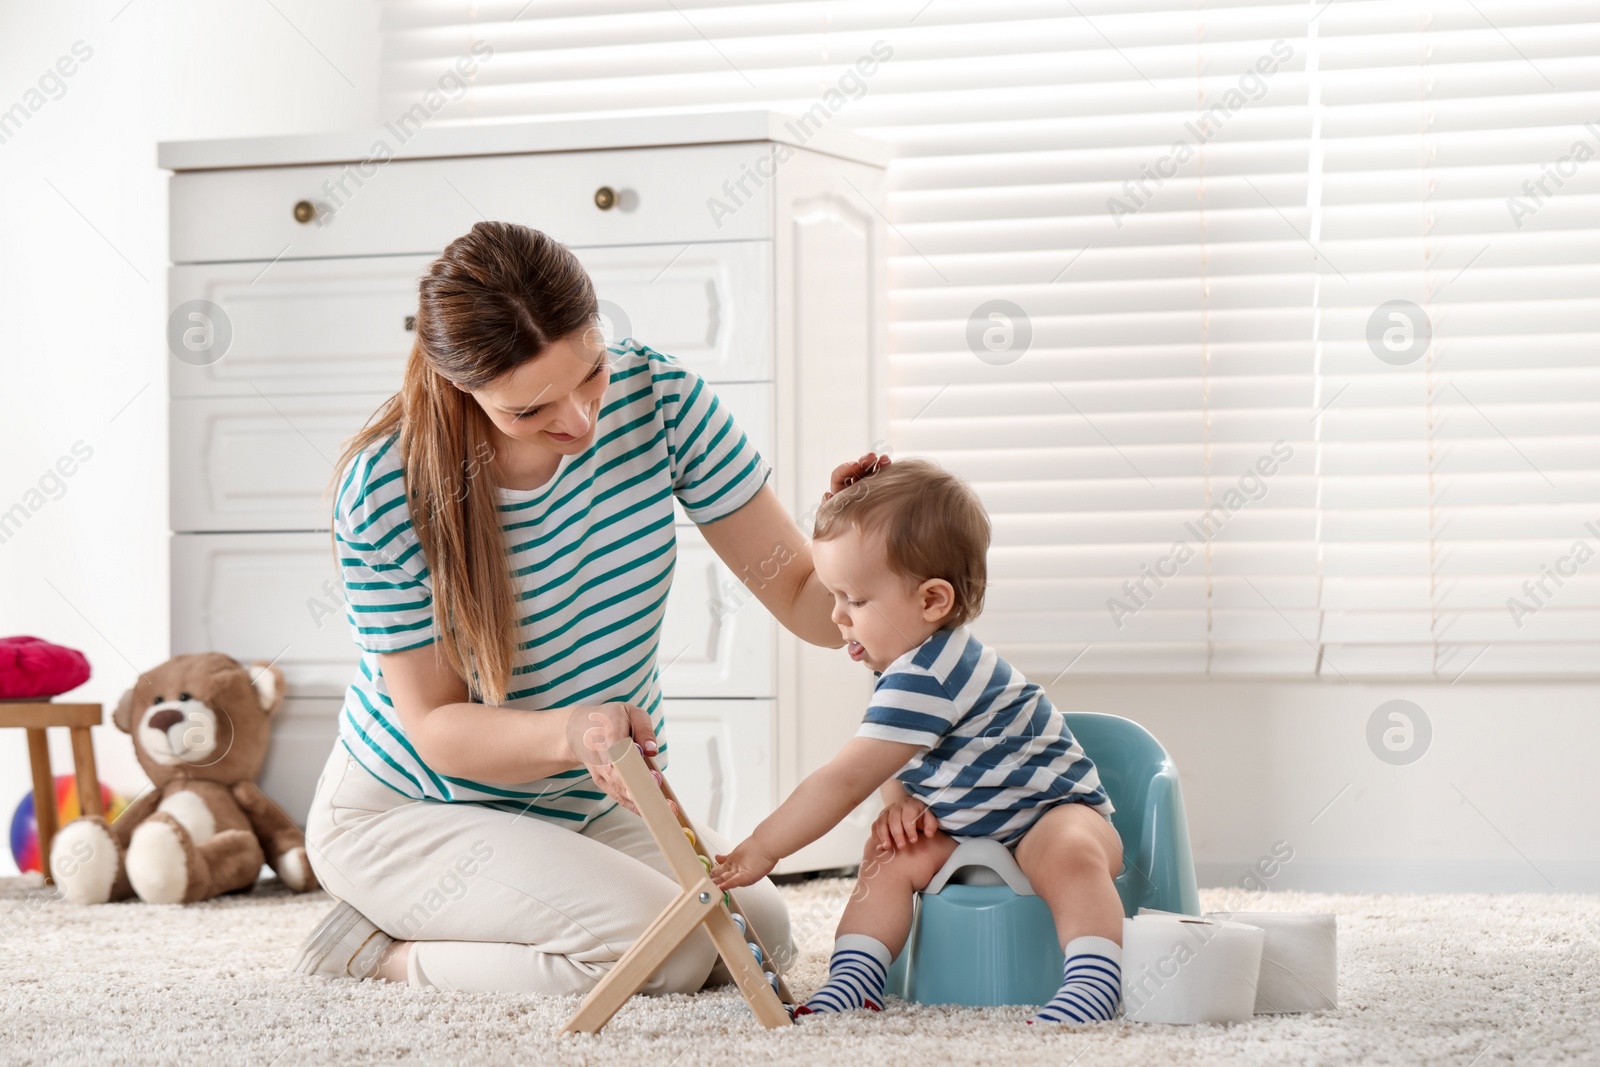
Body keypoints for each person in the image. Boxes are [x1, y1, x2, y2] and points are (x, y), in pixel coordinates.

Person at [290, 219, 888, 996]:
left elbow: (807, 601)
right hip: (410, 809)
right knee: (665, 954)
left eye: (592, 371)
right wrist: (575, 730)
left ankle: (505, 906)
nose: (580, 420)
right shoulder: (383, 488)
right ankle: (376, 948)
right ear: (459, 385)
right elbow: (436, 729)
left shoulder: (660, 398)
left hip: (577, 797)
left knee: (760, 940)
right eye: (531, 410)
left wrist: (868, 546)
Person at [710, 457, 1126, 1024]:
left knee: (1067, 850)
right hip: (965, 829)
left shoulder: (930, 672)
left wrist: (764, 846)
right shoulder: (905, 666)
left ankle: (1094, 983)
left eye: (853, 600)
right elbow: (891, 758)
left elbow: (846, 777)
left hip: (1051, 812)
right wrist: (900, 805)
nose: (836, 617)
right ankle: (855, 980)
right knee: (888, 855)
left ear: (932, 601)